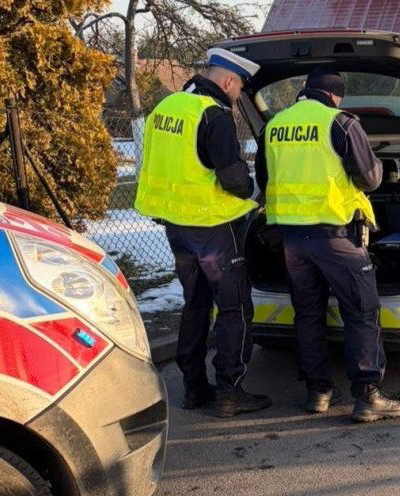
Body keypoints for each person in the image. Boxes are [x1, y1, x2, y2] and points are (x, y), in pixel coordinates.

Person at [254, 68, 400, 422]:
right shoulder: (340, 123)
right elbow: (369, 179)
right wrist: (380, 168)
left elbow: (264, 179)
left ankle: (318, 391)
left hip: (292, 240)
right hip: (336, 237)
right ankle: (368, 394)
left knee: (307, 313)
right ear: (335, 95)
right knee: (362, 311)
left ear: (305, 91)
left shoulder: (274, 126)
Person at [134, 48, 271, 418]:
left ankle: (194, 388)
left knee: (194, 303)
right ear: (228, 81)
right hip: (214, 228)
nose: (237, 93)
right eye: (239, 86)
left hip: (177, 227)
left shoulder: (167, 107)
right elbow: (233, 179)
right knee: (234, 308)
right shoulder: (214, 114)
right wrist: (254, 190)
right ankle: (230, 390)